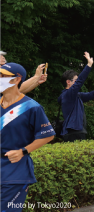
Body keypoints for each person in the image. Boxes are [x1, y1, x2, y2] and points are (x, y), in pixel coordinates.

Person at [1, 63, 56, 212]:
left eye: (2, 76)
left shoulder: (32, 107)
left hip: (15, 172)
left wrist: (23, 151)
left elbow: (48, 135)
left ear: (16, 79)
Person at [57, 52, 94, 142]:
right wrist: (89, 65)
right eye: (75, 80)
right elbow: (80, 81)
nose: (77, 82)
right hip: (72, 132)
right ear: (68, 82)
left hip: (78, 131)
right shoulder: (67, 95)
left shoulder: (76, 96)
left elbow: (93, 94)